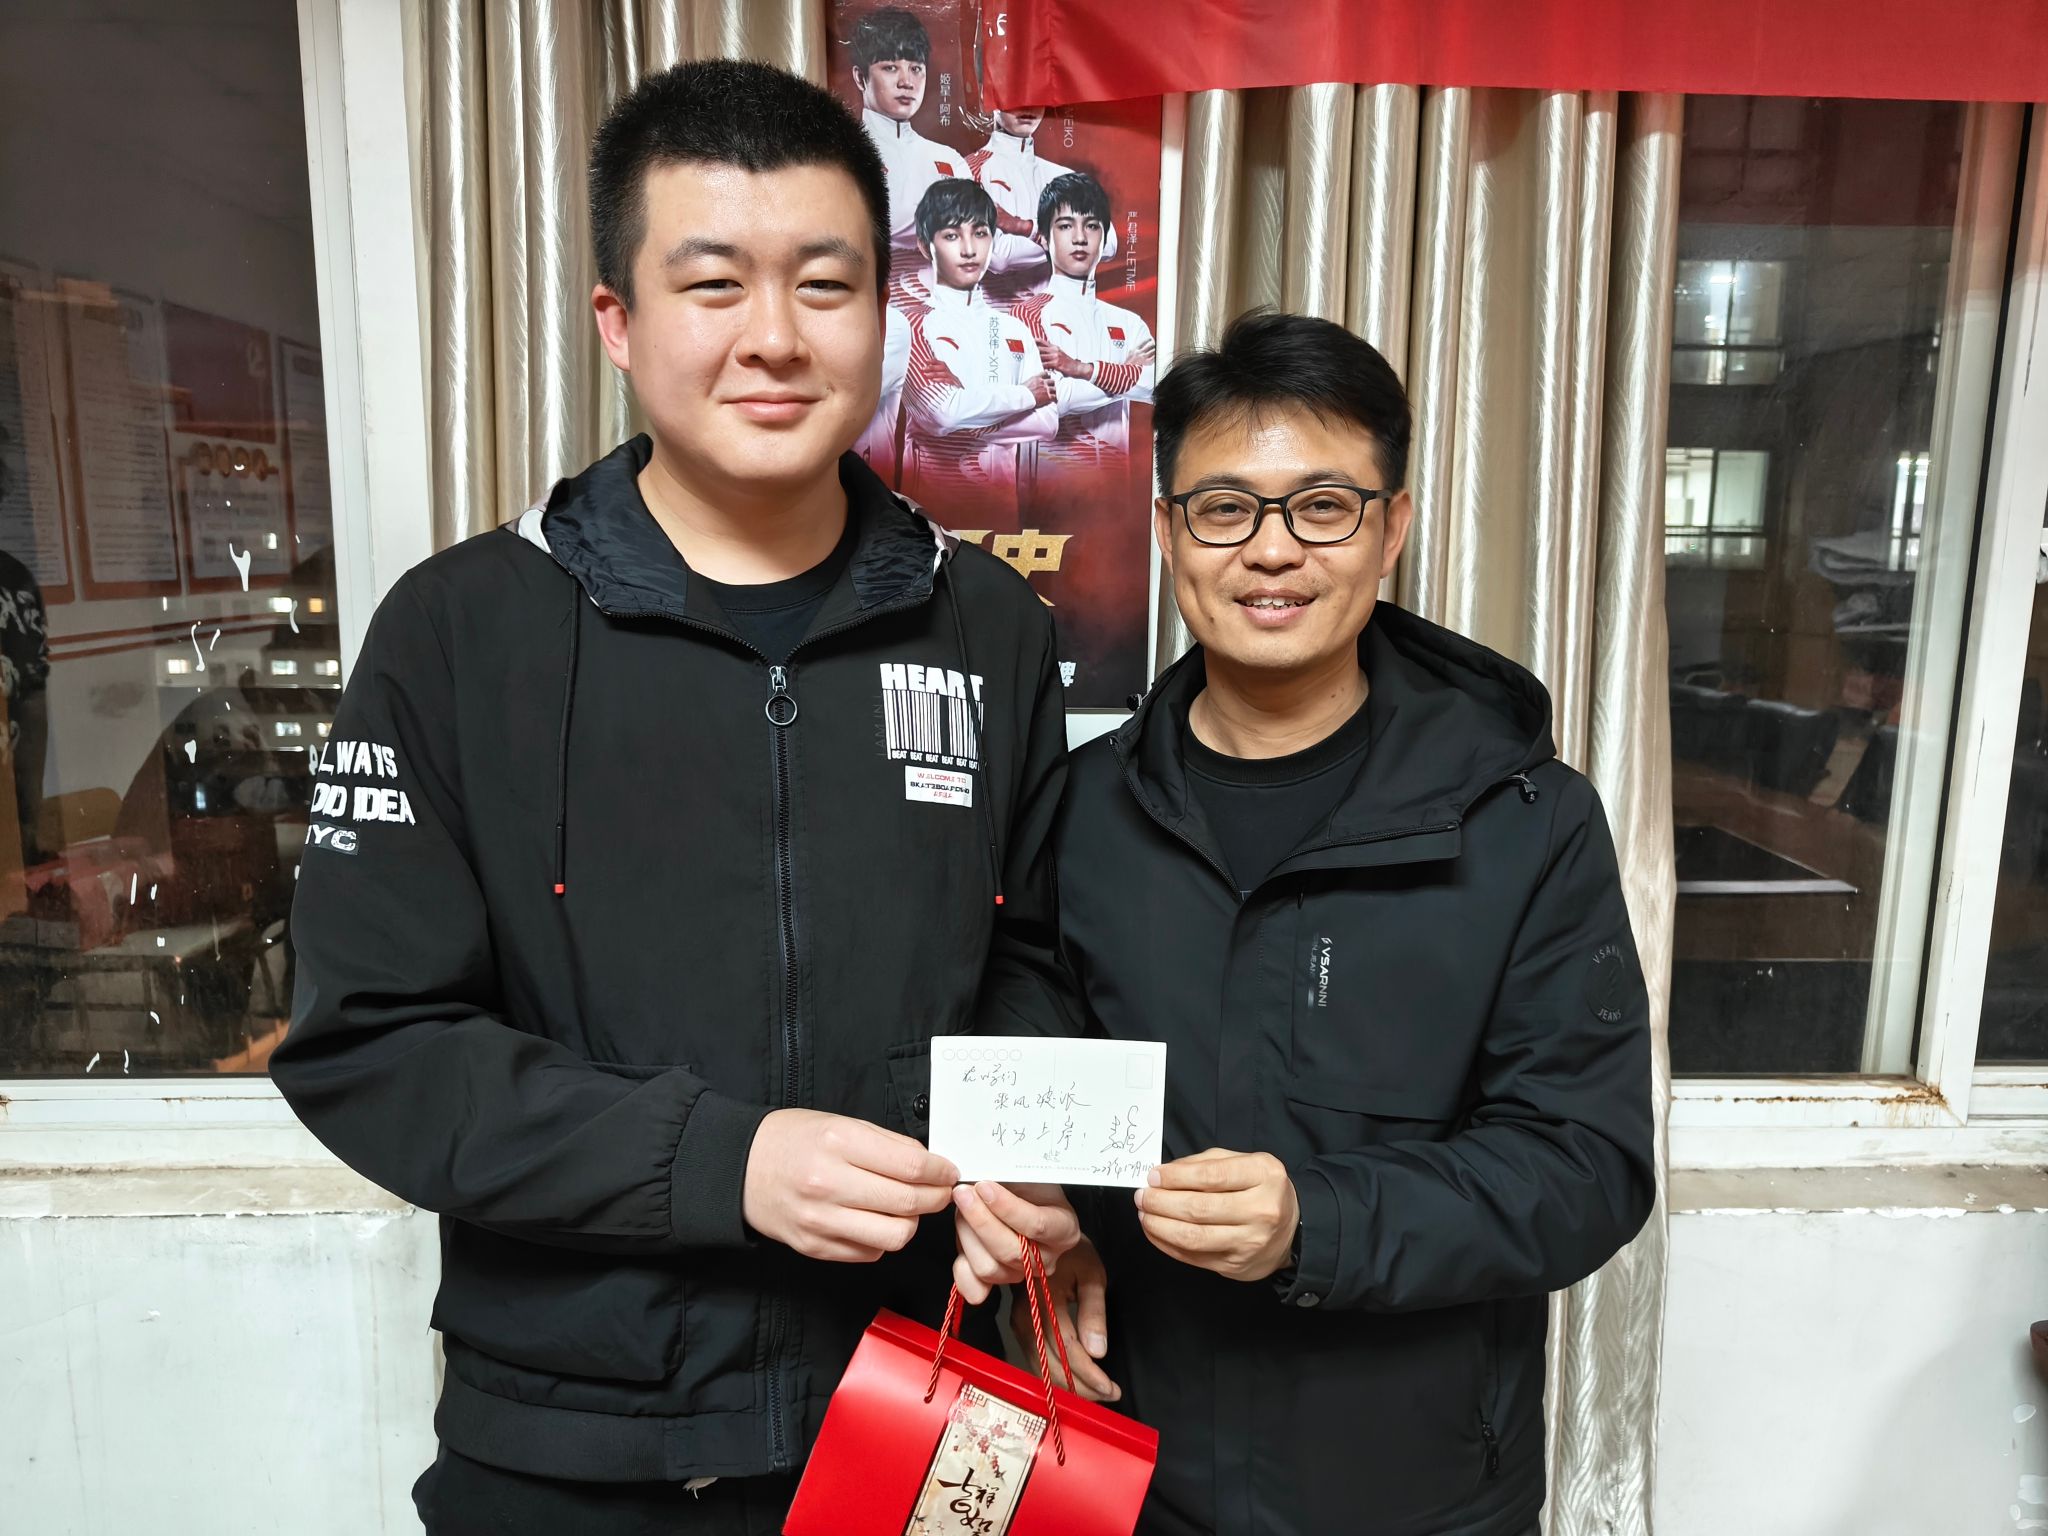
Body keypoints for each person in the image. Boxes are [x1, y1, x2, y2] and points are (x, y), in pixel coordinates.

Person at [272, 59, 1080, 1534]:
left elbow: (1029, 952)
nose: (774, 336)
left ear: (885, 313)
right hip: (573, 1441)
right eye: (713, 285)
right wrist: (724, 1162)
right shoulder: (463, 631)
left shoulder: (988, 626)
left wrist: (1016, 1153)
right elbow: (372, 1045)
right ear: (618, 322)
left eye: (824, 284)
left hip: (911, 1404)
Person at [1038, 310, 1655, 1536]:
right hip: (1129, 1472)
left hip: (1421, 1492)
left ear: (1390, 529)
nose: (1271, 550)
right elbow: (1030, 1043)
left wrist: (1313, 1222)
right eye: (1223, 509)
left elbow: (1585, 1167)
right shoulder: (1081, 809)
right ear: (1167, 533)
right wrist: (1039, 1208)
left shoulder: (1523, 820)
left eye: (1321, 507)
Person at [899, 178, 1057, 516]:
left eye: (981, 233)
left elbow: (1048, 422)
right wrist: (1025, 396)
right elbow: (942, 414)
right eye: (952, 236)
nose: (969, 249)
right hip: (931, 516)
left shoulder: (1015, 328)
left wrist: (969, 403)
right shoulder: (911, 324)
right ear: (926, 246)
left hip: (1002, 514)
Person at [1010, 172, 1156, 475]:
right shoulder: (1026, 315)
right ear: (1044, 237)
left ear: (1104, 236)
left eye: (1091, 225)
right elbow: (1055, 398)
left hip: (1114, 483)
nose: (1080, 237)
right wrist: (1125, 373)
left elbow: (1156, 386)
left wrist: (1083, 371)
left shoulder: (1129, 323)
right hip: (1048, 481)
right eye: (1065, 226)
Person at [848, 7, 966, 309]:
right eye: (890, 68)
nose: (906, 82)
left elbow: (975, 236)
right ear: (860, 77)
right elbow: (863, 229)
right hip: (872, 309)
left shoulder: (948, 159)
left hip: (945, 312)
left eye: (916, 68)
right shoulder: (844, 153)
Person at [964, 106, 1116, 308]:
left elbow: (1109, 243)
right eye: (1015, 97)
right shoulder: (968, 171)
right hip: (999, 318)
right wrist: (1069, 239)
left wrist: (1027, 228)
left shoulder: (1061, 175)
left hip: (1058, 316)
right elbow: (999, 256)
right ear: (991, 100)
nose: (1027, 107)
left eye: (1036, 98)